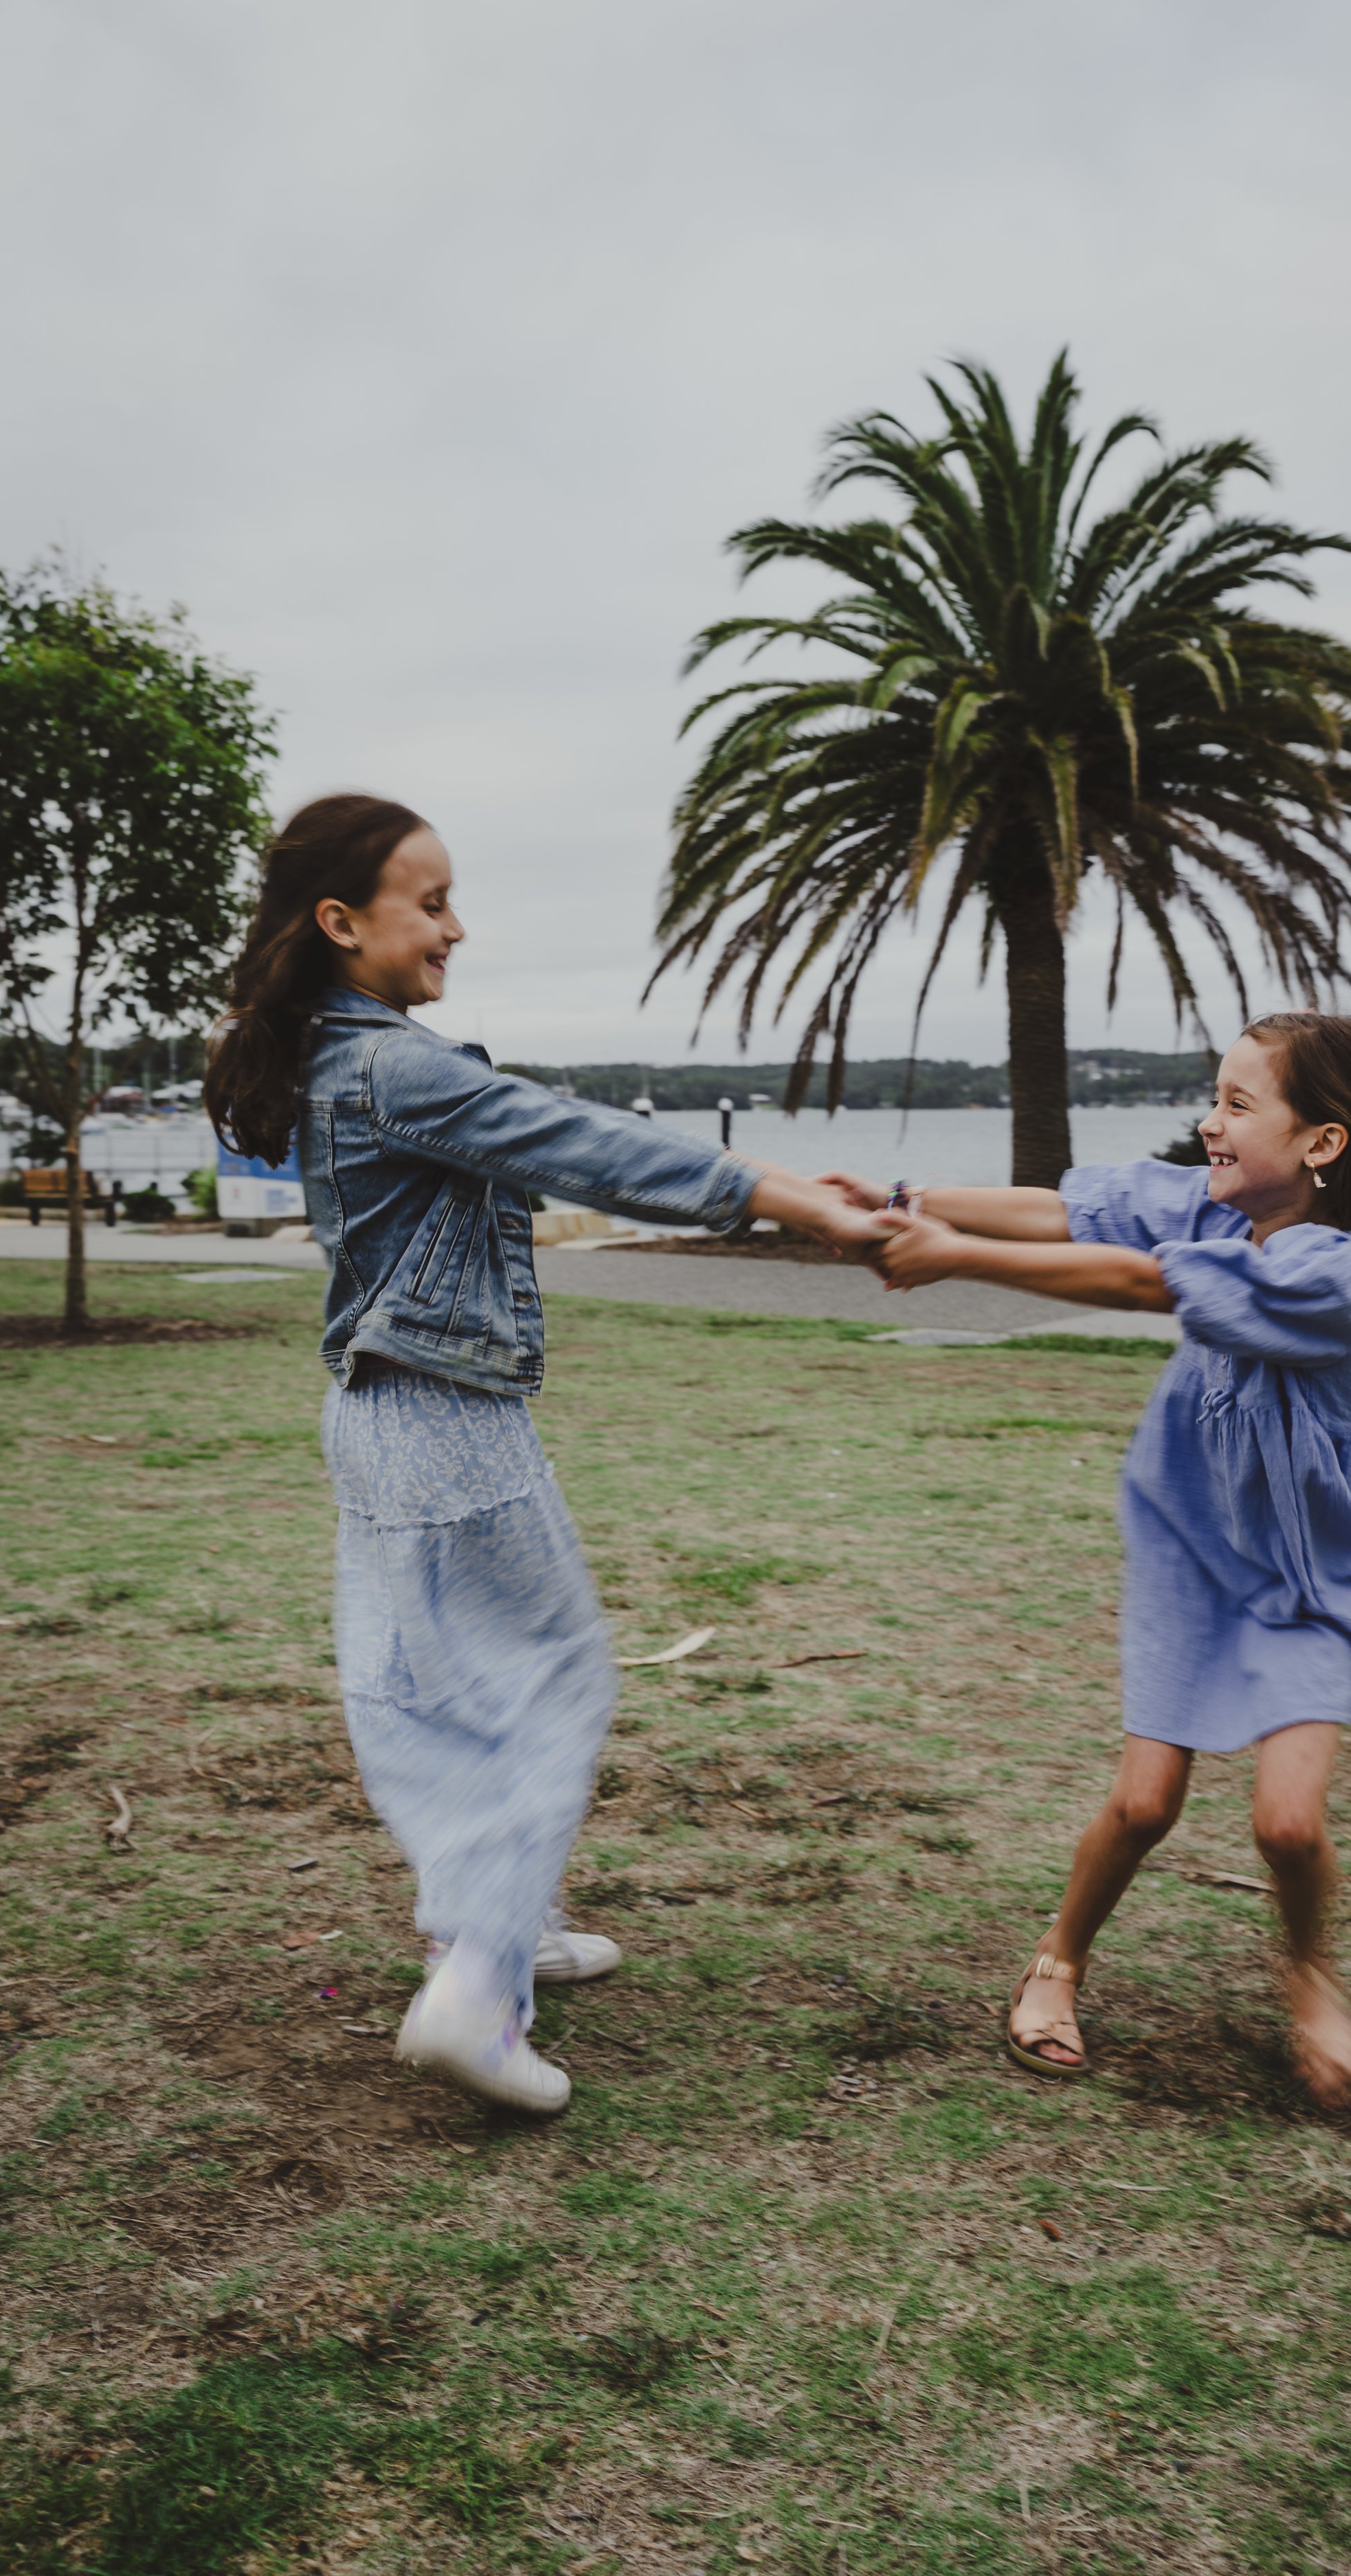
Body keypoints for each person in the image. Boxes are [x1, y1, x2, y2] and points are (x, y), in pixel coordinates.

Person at [205, 794, 882, 2117]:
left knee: (438, 1686)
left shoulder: (347, 1057)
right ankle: (474, 1990)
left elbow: (541, 1124)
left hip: (382, 1412)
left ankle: (511, 1923)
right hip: (444, 1420)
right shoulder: (392, 1067)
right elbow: (584, 1143)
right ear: (344, 923)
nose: (458, 925)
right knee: (556, 1680)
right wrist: (787, 1195)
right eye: (433, 901)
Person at [825, 1012, 1351, 2107]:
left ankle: (1309, 1971)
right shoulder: (1218, 1202)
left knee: (1287, 1820)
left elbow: (1151, 1284)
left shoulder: (1345, 1278)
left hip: (1311, 1576)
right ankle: (1058, 1957)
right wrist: (905, 1199)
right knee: (1147, 1803)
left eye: (1238, 1105)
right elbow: (1072, 1206)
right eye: (1216, 1095)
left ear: (1324, 1144)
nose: (1210, 1121)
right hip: (1191, 1544)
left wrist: (960, 1260)